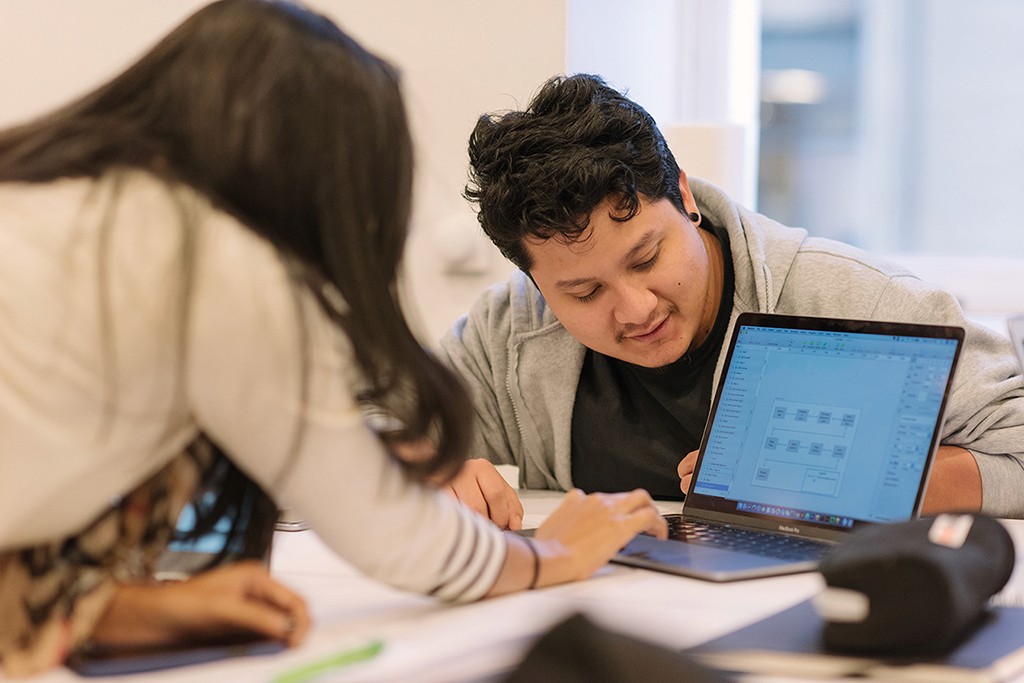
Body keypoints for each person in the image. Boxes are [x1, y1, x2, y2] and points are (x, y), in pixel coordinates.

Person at [0, 8, 667, 677]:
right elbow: (391, 529)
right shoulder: (214, 260)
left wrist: (120, 610)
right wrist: (553, 555)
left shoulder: (50, 196)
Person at [438, 72, 1024, 522]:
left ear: (686, 198)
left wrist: (849, 479)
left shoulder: (854, 300)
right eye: (584, 291)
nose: (637, 309)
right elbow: (374, 434)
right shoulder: (511, 332)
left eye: (646, 258)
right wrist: (427, 476)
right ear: (539, 286)